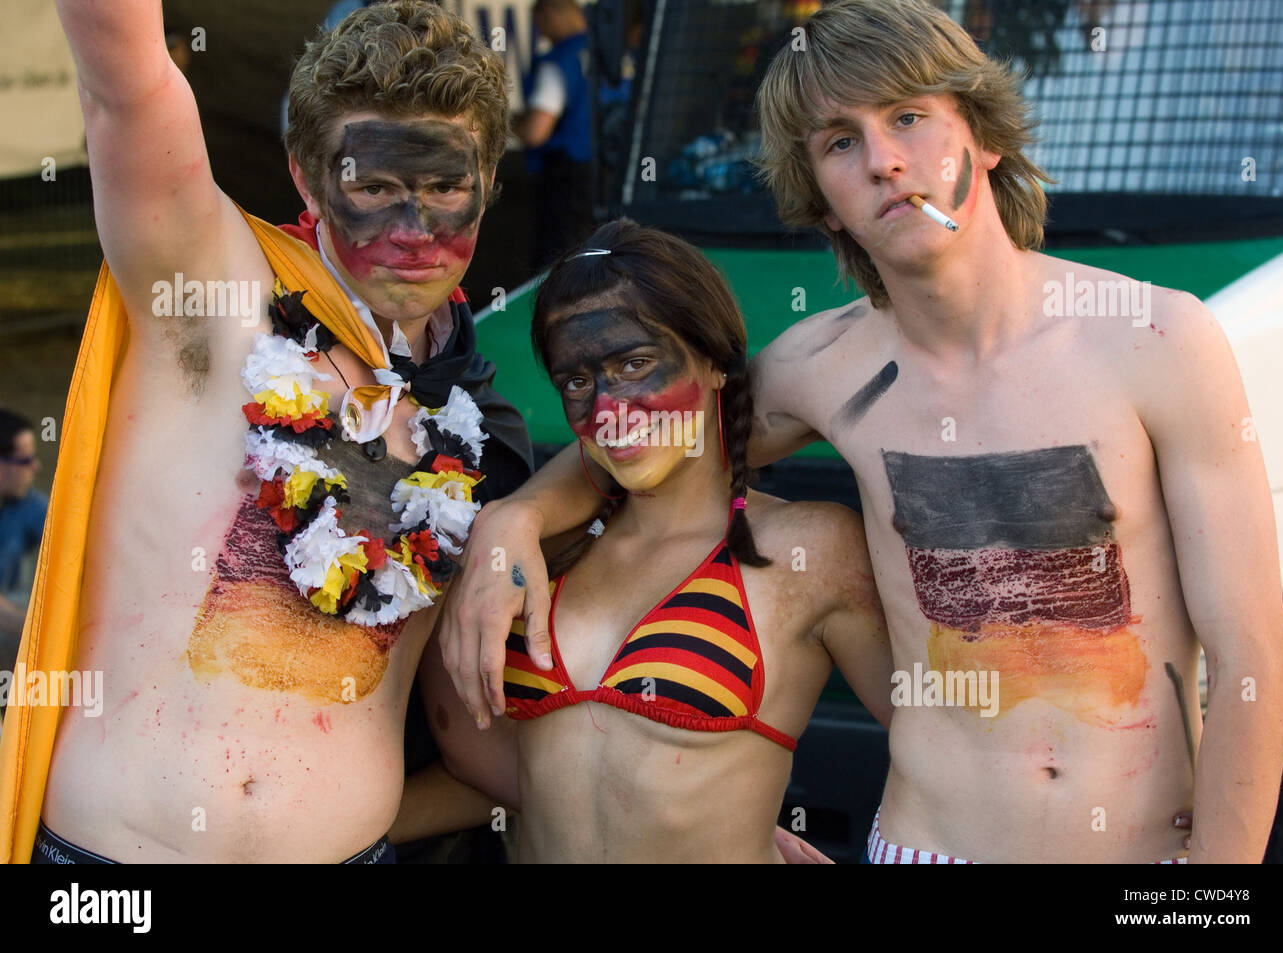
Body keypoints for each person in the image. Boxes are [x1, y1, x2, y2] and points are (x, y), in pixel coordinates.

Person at [441, 0, 1283, 863]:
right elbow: (651, 436)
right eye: (840, 142)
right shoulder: (824, 365)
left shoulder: (1158, 341)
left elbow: (1252, 653)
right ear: (823, 198)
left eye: (910, 118)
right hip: (921, 846)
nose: (884, 161)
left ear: (984, 137)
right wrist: (512, 520)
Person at [3, 0, 533, 864]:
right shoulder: (211, 286)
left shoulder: (482, 430)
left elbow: (465, 715)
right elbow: (124, 79)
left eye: (445, 186)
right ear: (306, 176)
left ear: (487, 185)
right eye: (372, 186)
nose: (413, 231)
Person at [419, 218, 892, 861]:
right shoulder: (542, 553)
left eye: (636, 364)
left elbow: (948, 750)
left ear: (718, 364)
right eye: (577, 383)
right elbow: (514, 772)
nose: (609, 412)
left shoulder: (812, 550)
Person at [516, 0, 596, 268]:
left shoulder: (560, 60)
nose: (543, 33)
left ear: (551, 13)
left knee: (558, 262)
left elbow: (536, 131)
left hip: (568, 180)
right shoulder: (614, 55)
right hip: (611, 176)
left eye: (540, 24)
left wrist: (506, 125)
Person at [0, 409, 46, 671]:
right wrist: (37, 632)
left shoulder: (27, 504)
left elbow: (77, 555)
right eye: (24, 460)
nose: (35, 467)